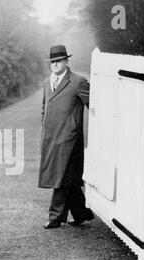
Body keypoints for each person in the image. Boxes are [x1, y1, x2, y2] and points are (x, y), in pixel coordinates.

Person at [38, 45, 94, 229]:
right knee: (68, 177)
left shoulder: (78, 82)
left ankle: (55, 217)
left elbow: (94, 104)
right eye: (52, 62)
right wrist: (44, 126)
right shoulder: (47, 82)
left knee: (61, 176)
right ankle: (81, 213)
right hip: (51, 138)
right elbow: (45, 107)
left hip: (69, 139)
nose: (55, 64)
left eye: (59, 61)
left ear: (66, 61)